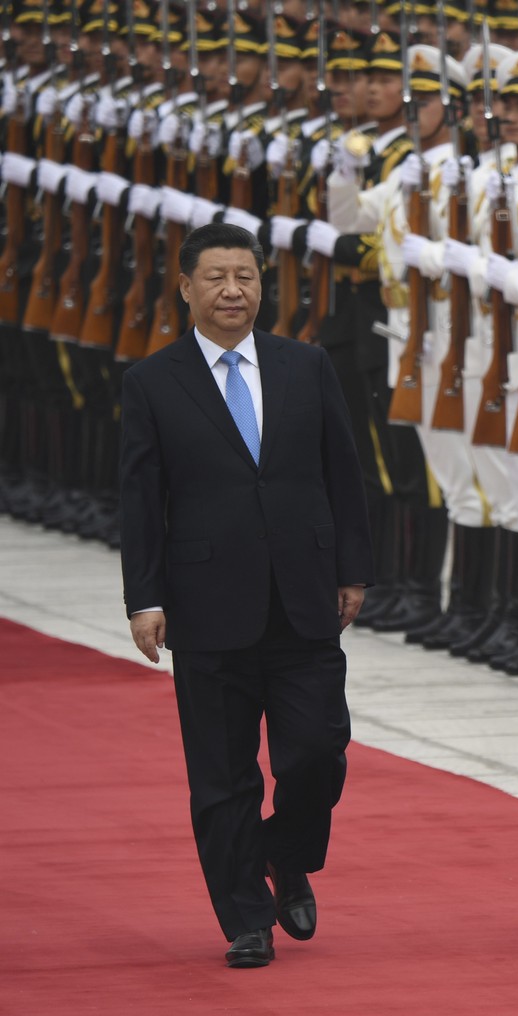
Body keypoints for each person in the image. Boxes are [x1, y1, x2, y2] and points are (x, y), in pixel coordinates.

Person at [118, 223, 373, 968]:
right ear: (186, 286)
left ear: (264, 286)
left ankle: (285, 853)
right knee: (222, 773)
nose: (234, 291)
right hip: (205, 605)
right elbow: (140, 499)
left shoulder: (307, 365)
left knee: (317, 755)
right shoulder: (151, 382)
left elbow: (342, 472)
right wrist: (144, 596)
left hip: (304, 599)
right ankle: (246, 918)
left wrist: (351, 569)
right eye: (218, 278)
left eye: (247, 277)